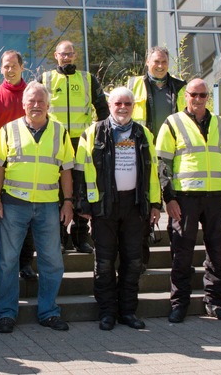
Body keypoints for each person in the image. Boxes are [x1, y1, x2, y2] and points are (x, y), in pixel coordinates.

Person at [74, 86, 161, 331]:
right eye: (117, 104)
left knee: (133, 261)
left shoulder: (143, 133)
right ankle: (107, 313)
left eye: (127, 104)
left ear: (133, 106)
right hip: (104, 206)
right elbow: (80, 171)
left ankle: (127, 312)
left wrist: (155, 204)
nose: (122, 108)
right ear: (109, 106)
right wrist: (84, 203)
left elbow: (152, 171)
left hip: (135, 205)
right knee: (103, 262)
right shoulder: (93, 132)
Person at [0, 82, 74, 334]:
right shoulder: (7, 130)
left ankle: (48, 312)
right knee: (7, 261)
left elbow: (66, 171)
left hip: (48, 204)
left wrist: (68, 201)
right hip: (13, 203)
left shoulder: (60, 132)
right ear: (23, 104)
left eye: (41, 101)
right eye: (31, 101)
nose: (36, 105)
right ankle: (6, 313)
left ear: (48, 105)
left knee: (52, 261)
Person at [156, 78, 221, 323]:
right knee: (182, 252)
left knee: (217, 252)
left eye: (203, 95)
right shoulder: (172, 123)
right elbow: (163, 165)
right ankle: (179, 304)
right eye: (194, 94)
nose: (198, 99)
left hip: (215, 198)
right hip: (185, 198)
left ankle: (214, 303)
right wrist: (168, 199)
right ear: (186, 96)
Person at [38, 40, 109, 254]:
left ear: (75, 55)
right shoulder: (45, 79)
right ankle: (60, 236)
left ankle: (81, 236)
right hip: (55, 141)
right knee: (57, 190)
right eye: (62, 54)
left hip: (82, 142)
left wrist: (100, 135)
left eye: (70, 54)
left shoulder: (88, 79)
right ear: (56, 56)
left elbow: (103, 109)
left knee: (82, 189)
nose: (66, 57)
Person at [0, 50, 36, 281]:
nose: (9, 70)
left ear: (22, 67)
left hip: (28, 166)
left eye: (14, 66)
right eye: (5, 66)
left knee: (28, 218)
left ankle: (25, 263)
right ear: (0, 69)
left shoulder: (32, 95)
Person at [127, 46, 186, 269]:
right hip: (143, 151)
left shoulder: (180, 87)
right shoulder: (134, 85)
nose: (160, 66)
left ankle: (179, 259)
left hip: (173, 153)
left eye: (163, 61)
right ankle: (142, 259)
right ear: (147, 62)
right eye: (155, 62)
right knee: (144, 206)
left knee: (175, 203)